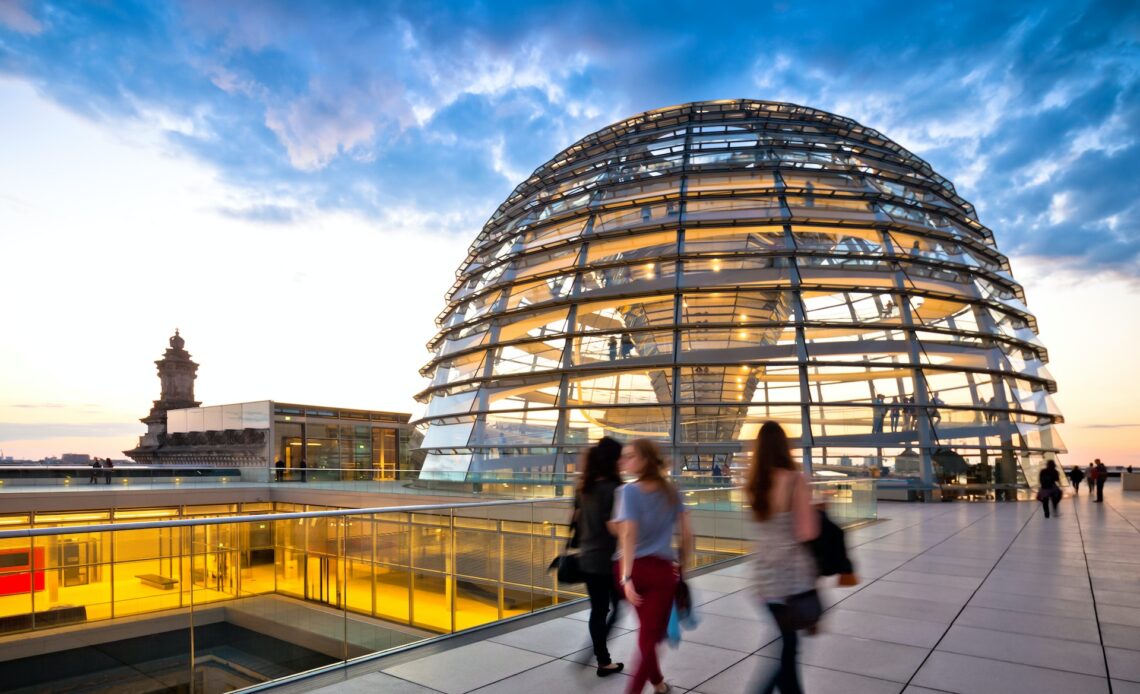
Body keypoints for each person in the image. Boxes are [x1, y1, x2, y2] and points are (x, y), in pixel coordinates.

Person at [612, 439, 694, 694]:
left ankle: (657, 683)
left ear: (646, 460)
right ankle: (645, 686)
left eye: (631, 456)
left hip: (631, 569)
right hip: (660, 572)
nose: (625, 461)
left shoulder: (628, 491)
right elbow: (688, 535)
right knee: (649, 637)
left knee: (647, 634)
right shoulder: (672, 491)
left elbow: (627, 534)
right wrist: (683, 569)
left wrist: (626, 578)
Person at [747, 421, 820, 694]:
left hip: (763, 579)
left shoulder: (754, 484)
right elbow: (807, 532)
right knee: (788, 649)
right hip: (791, 579)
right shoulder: (795, 480)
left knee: (788, 646)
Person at [574, 437, 625, 678]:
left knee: (599, 609)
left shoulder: (584, 486)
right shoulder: (614, 489)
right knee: (617, 607)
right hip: (608, 560)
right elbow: (614, 527)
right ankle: (601, 656)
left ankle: (600, 656)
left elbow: (576, 518)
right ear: (613, 460)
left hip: (587, 557)